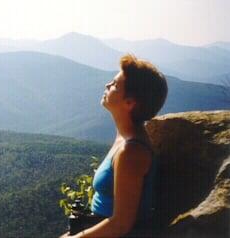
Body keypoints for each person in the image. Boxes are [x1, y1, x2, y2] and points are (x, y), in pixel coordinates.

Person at [59, 54, 168, 238]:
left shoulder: (131, 152)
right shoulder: (126, 137)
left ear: (130, 103)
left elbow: (120, 225)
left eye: (115, 85)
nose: (107, 86)